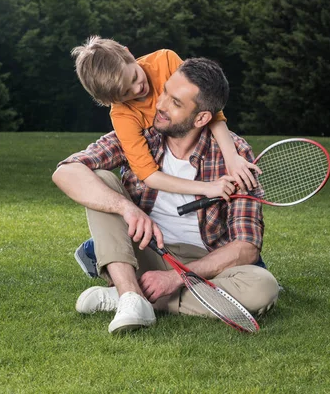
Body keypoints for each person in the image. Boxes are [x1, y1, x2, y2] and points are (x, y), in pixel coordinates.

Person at [52, 58, 279, 334]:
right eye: (165, 92)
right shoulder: (139, 136)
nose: (159, 105)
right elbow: (65, 172)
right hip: (148, 250)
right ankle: (130, 294)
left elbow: (246, 247)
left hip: (203, 263)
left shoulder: (236, 155)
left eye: (176, 103)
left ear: (202, 118)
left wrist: (175, 278)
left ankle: (132, 296)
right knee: (98, 180)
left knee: (262, 288)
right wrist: (127, 209)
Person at [71, 37, 258, 199]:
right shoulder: (122, 115)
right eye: (125, 93)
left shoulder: (165, 60)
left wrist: (231, 156)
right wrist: (207, 188)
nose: (137, 89)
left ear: (128, 54)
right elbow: (148, 175)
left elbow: (207, 105)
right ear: (110, 100)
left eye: (135, 76)